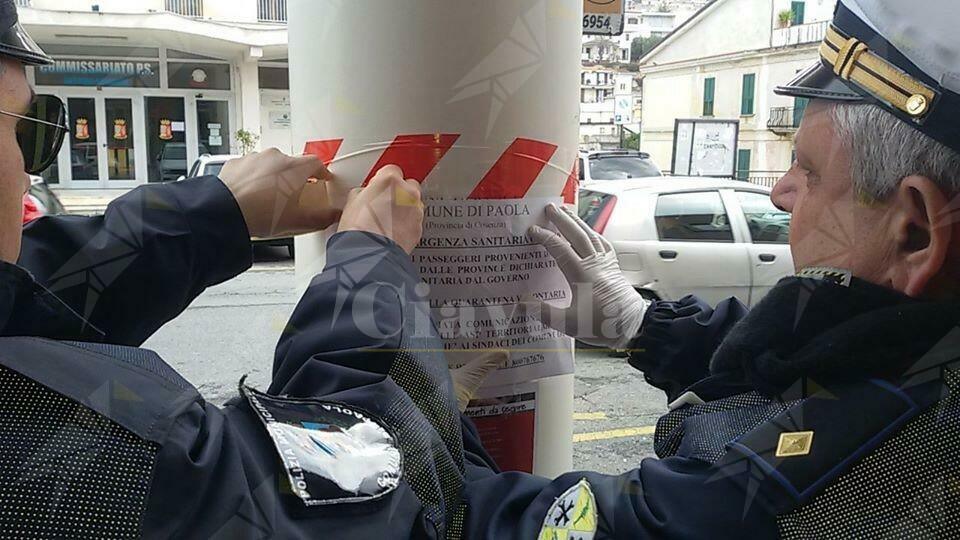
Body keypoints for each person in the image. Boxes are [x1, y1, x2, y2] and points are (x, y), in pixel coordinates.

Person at [455, 0, 960, 537]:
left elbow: (484, 522)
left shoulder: (848, 476)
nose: (782, 193)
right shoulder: (919, 359)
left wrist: (377, 350)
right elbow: (813, 368)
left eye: (807, 170)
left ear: (916, 232)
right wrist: (645, 326)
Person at [0, 1, 497, 537]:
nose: (29, 172)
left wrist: (216, 212)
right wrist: (373, 261)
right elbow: (361, 490)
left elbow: (30, 298)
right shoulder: (78, 454)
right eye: (26, 131)